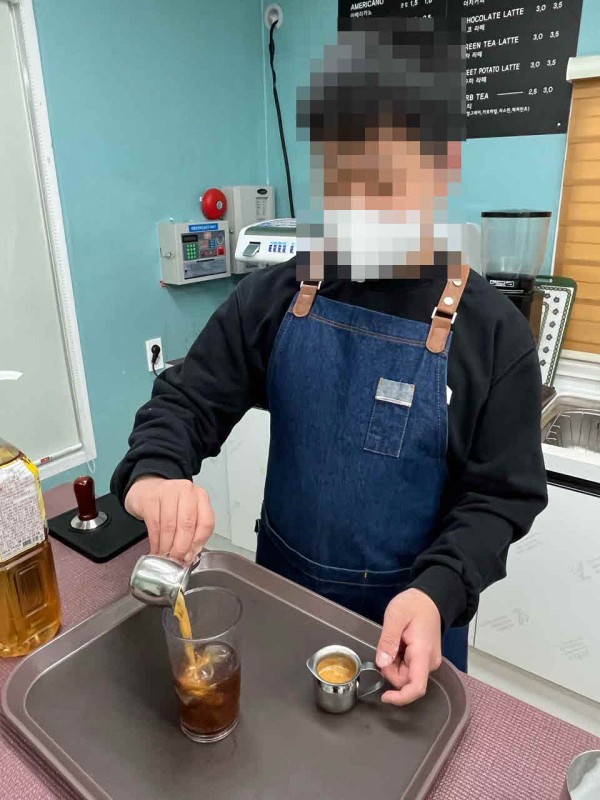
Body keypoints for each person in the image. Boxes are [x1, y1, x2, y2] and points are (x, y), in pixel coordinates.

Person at [111, 18, 547, 706]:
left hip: (411, 631)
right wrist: (156, 472)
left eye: (386, 181)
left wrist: (438, 592)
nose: (361, 208)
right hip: (280, 604)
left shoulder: (493, 334)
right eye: (343, 180)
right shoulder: (279, 295)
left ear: (442, 166)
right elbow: (187, 401)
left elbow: (500, 498)